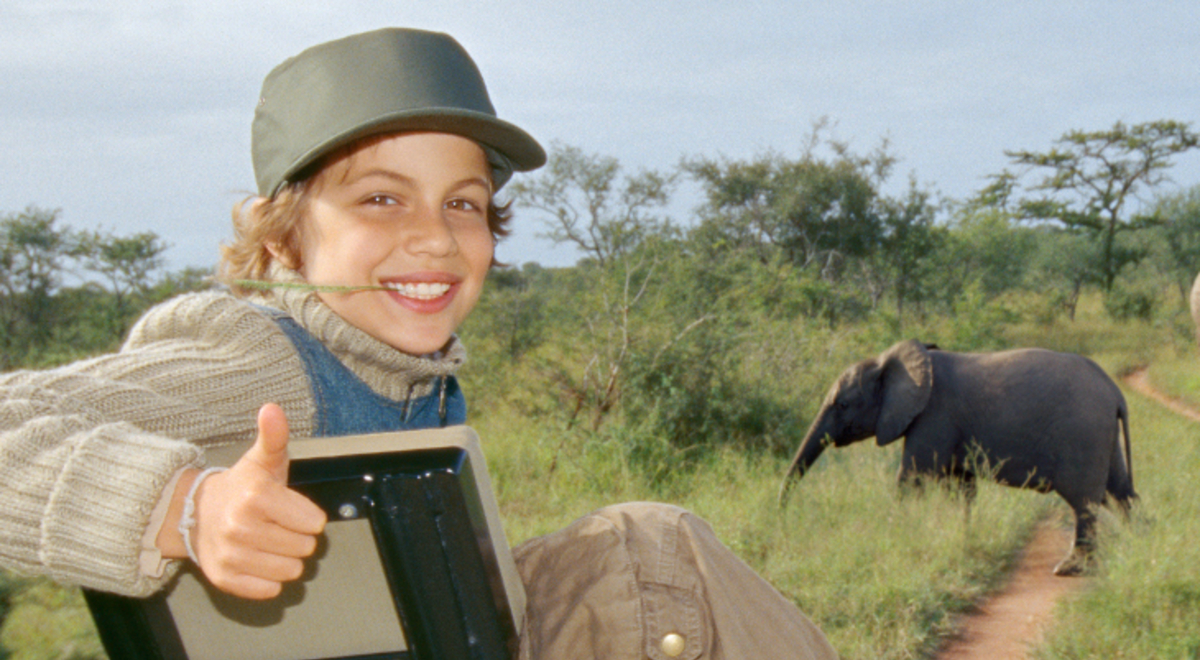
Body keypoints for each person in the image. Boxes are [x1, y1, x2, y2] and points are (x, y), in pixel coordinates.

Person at [0, 28, 837, 658]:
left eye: (463, 203)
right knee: (646, 546)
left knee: (641, 550)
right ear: (285, 241)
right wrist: (187, 507)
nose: (436, 239)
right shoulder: (260, 358)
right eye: (381, 200)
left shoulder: (411, 376)